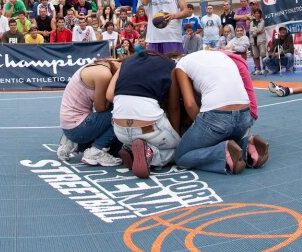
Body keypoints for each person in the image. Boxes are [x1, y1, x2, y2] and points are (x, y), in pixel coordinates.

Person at [174, 48, 269, 174]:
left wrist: (196, 127)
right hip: (245, 115)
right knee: (223, 137)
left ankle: (223, 153)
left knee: (181, 156)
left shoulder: (181, 65)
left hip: (217, 117)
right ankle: (248, 146)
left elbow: (190, 105)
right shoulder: (220, 57)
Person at [107, 48, 181, 178]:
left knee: (139, 138)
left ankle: (131, 150)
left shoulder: (127, 62)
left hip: (119, 129)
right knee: (180, 150)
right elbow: (173, 107)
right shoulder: (170, 65)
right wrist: (176, 134)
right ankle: (151, 154)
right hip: (149, 128)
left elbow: (109, 96)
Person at [57, 58, 122, 167]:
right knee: (121, 113)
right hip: (78, 128)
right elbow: (100, 108)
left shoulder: (100, 64)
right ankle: (95, 152)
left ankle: (72, 144)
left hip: (68, 126)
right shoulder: (104, 74)